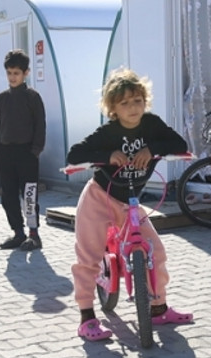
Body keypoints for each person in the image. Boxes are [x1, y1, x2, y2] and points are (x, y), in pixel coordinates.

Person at [66, 68, 195, 341]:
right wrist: (108, 154)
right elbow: (75, 154)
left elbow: (179, 143)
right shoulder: (108, 131)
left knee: (156, 252)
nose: (133, 107)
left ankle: (158, 307)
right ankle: (87, 316)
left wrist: (153, 150)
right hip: (99, 197)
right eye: (124, 103)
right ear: (113, 107)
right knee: (88, 257)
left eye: (137, 100)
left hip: (131, 203)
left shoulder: (151, 125)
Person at [0, 49, 46, 251]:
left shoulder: (32, 97)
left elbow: (40, 125)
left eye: (16, 73)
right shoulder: (2, 98)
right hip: (6, 153)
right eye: (9, 73)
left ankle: (34, 234)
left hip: (27, 153)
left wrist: (35, 151)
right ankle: (18, 232)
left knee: (29, 196)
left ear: (26, 73)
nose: (12, 77)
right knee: (8, 196)